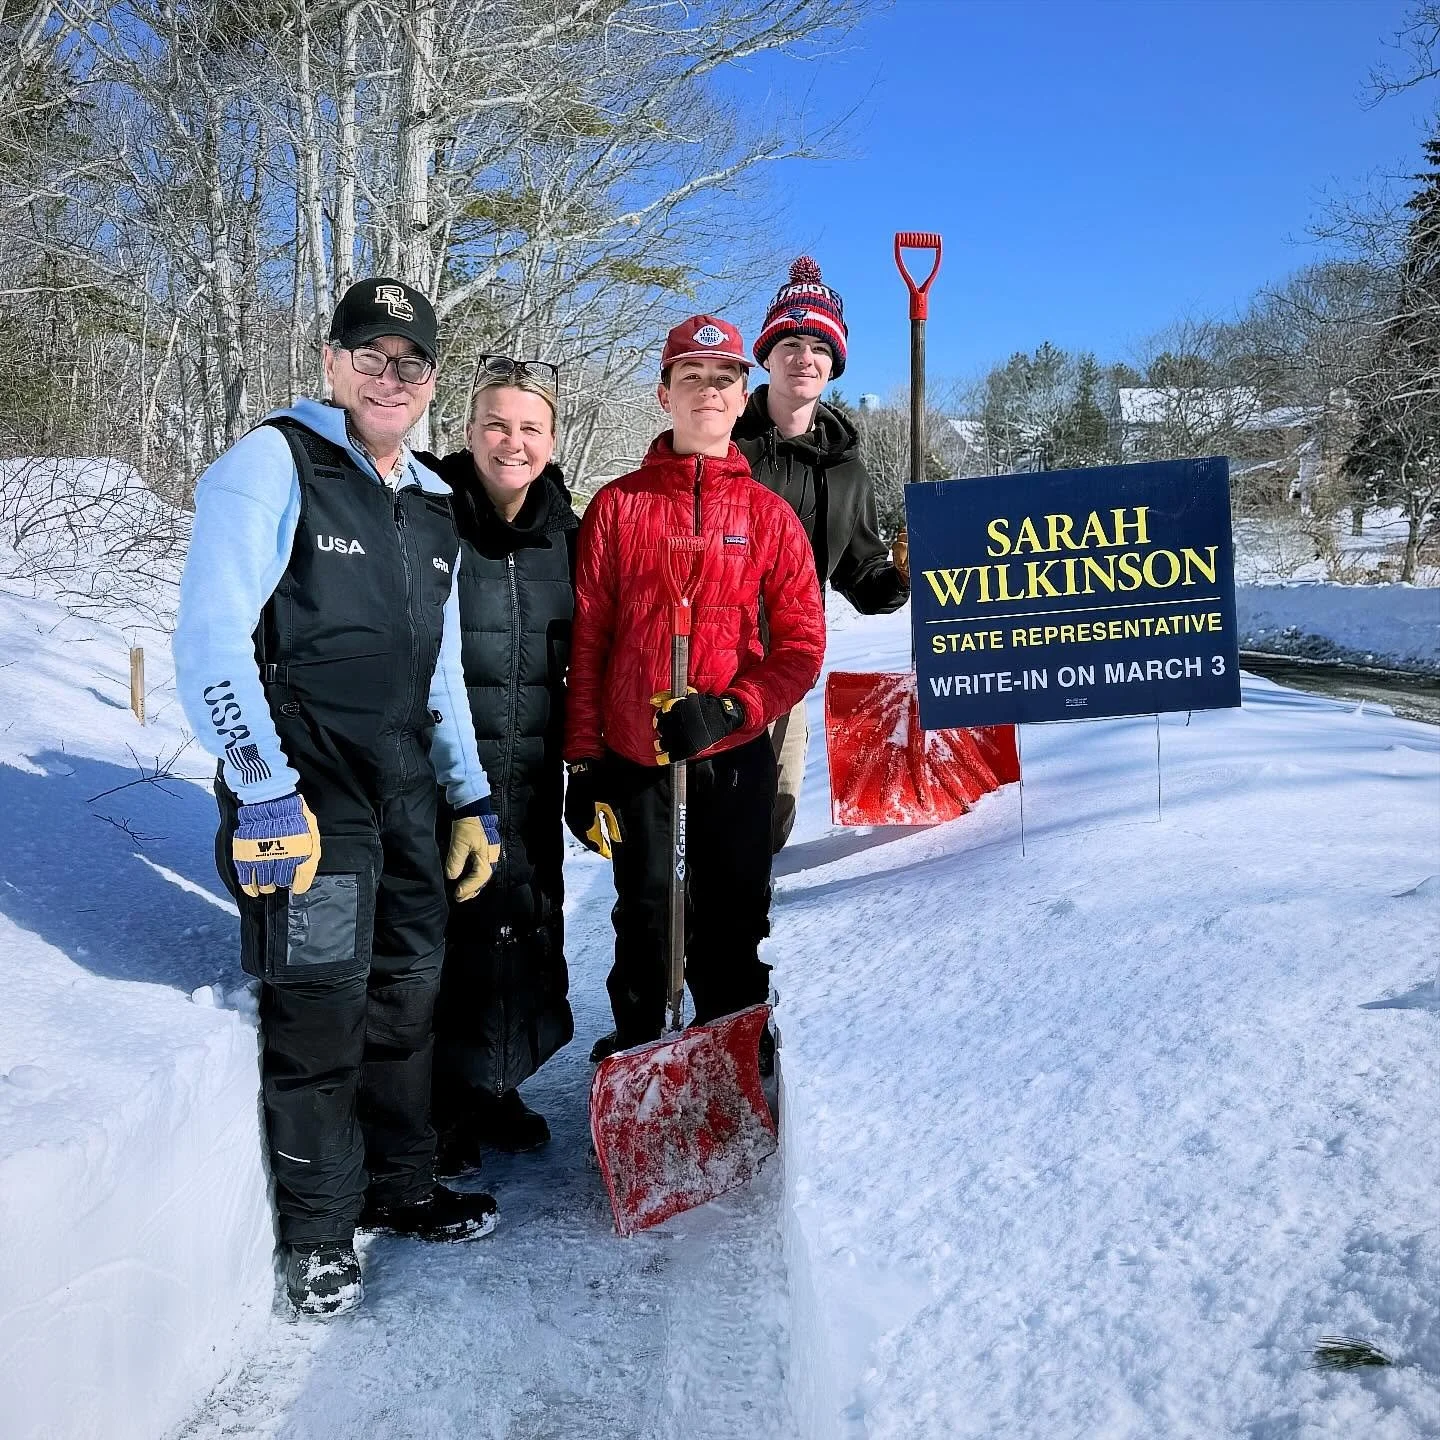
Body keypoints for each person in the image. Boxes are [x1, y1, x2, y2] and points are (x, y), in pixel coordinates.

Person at [174, 277, 503, 1321]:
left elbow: (440, 667)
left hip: (405, 788)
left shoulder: (435, 502)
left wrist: (468, 795)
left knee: (408, 993)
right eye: (370, 355)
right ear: (332, 362)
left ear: (432, 381)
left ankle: (399, 1187)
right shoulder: (273, 464)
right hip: (305, 791)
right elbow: (211, 642)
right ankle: (319, 1237)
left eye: (411, 362)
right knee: (320, 1006)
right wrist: (263, 790)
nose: (389, 377)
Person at [562, 314, 825, 1060]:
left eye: (723, 379)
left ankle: (729, 1045)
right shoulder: (618, 506)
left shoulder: (769, 517)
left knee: (733, 907)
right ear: (664, 393)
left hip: (731, 751)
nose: (708, 391)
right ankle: (642, 1050)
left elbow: (801, 647)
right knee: (646, 909)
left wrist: (735, 707)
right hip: (636, 752)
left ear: (743, 397)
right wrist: (584, 762)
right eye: (691, 377)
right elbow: (590, 639)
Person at [415, 356, 578, 1172]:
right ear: (468, 430)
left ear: (553, 439)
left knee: (522, 922)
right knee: (449, 931)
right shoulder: (427, 514)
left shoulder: (566, 533)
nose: (513, 443)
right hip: (447, 772)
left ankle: (497, 1083)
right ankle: (438, 1104)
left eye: (530, 428)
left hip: (534, 766)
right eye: (497, 425)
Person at [734, 257, 911, 852]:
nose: (803, 357)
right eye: (789, 343)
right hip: (710, 653)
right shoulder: (725, 441)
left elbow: (863, 578)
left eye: (818, 346)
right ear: (767, 356)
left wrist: (901, 575)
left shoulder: (846, 471)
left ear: (834, 364)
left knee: (772, 814)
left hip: (786, 662)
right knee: (705, 815)